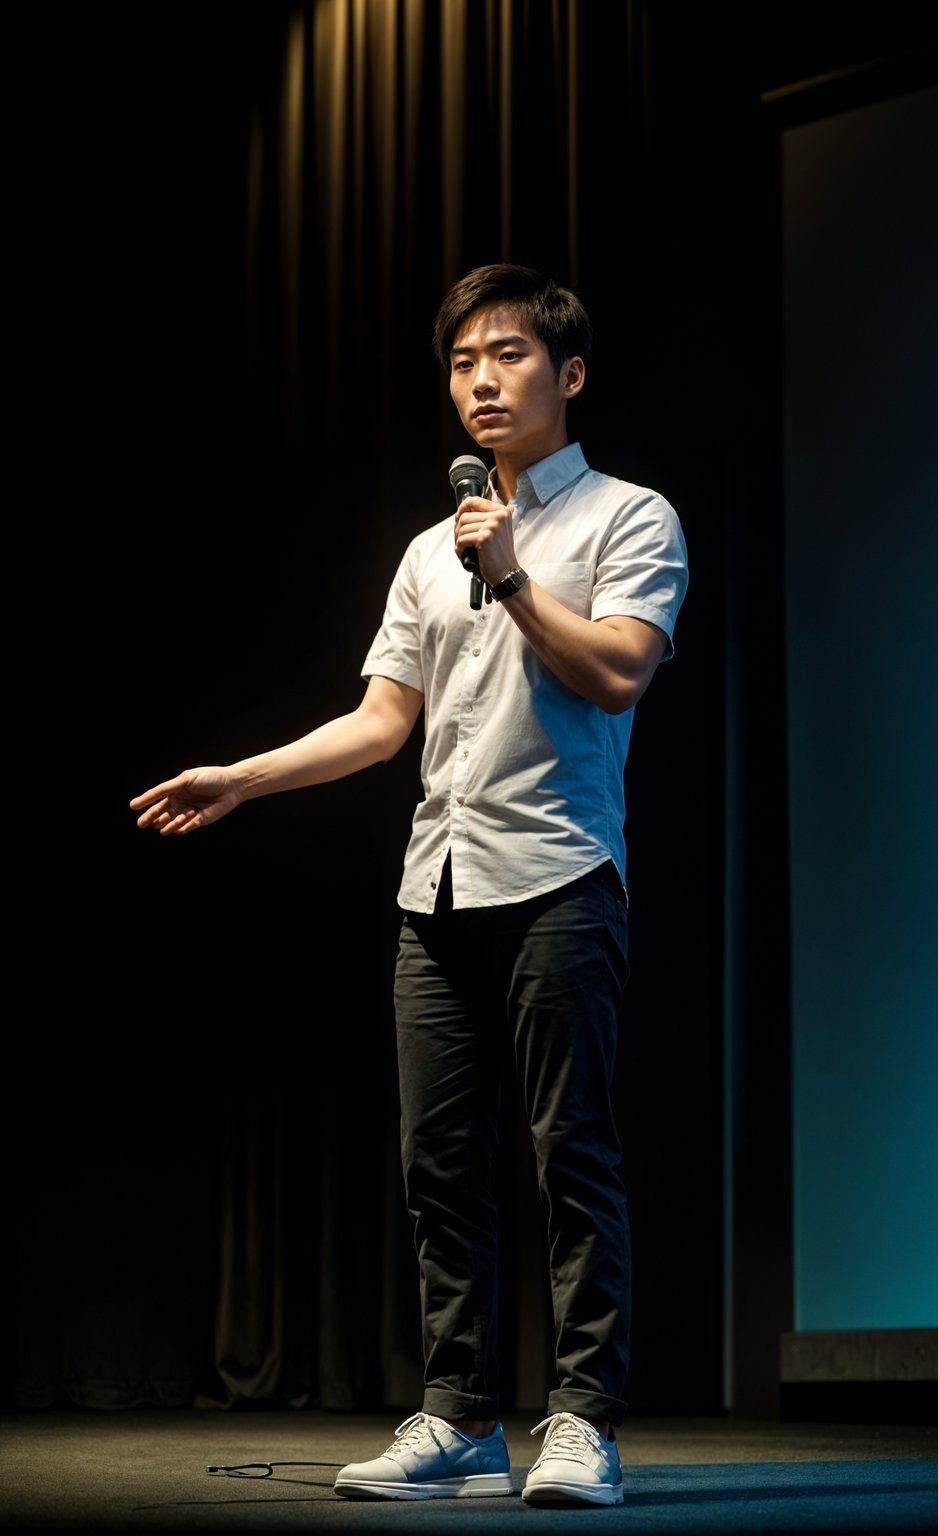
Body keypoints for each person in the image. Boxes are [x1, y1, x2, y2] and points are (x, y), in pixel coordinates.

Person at [131, 263, 688, 1507]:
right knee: (439, 1166)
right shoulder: (427, 553)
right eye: (460, 363)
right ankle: (460, 1415)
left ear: (570, 375)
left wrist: (513, 577)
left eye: (508, 357)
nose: (481, 381)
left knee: (571, 1158)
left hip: (560, 876)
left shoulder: (627, 518)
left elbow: (617, 674)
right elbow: (382, 723)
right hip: (435, 891)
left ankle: (582, 1420)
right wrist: (243, 776)